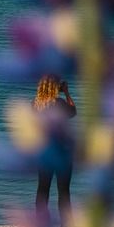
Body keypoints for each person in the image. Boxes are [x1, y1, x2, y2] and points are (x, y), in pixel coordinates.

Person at [34, 70, 77, 214]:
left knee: (42, 189)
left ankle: (41, 222)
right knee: (64, 190)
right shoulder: (59, 103)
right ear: (55, 87)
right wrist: (66, 92)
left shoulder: (34, 105)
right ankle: (66, 225)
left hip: (44, 152)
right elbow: (73, 112)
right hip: (62, 152)